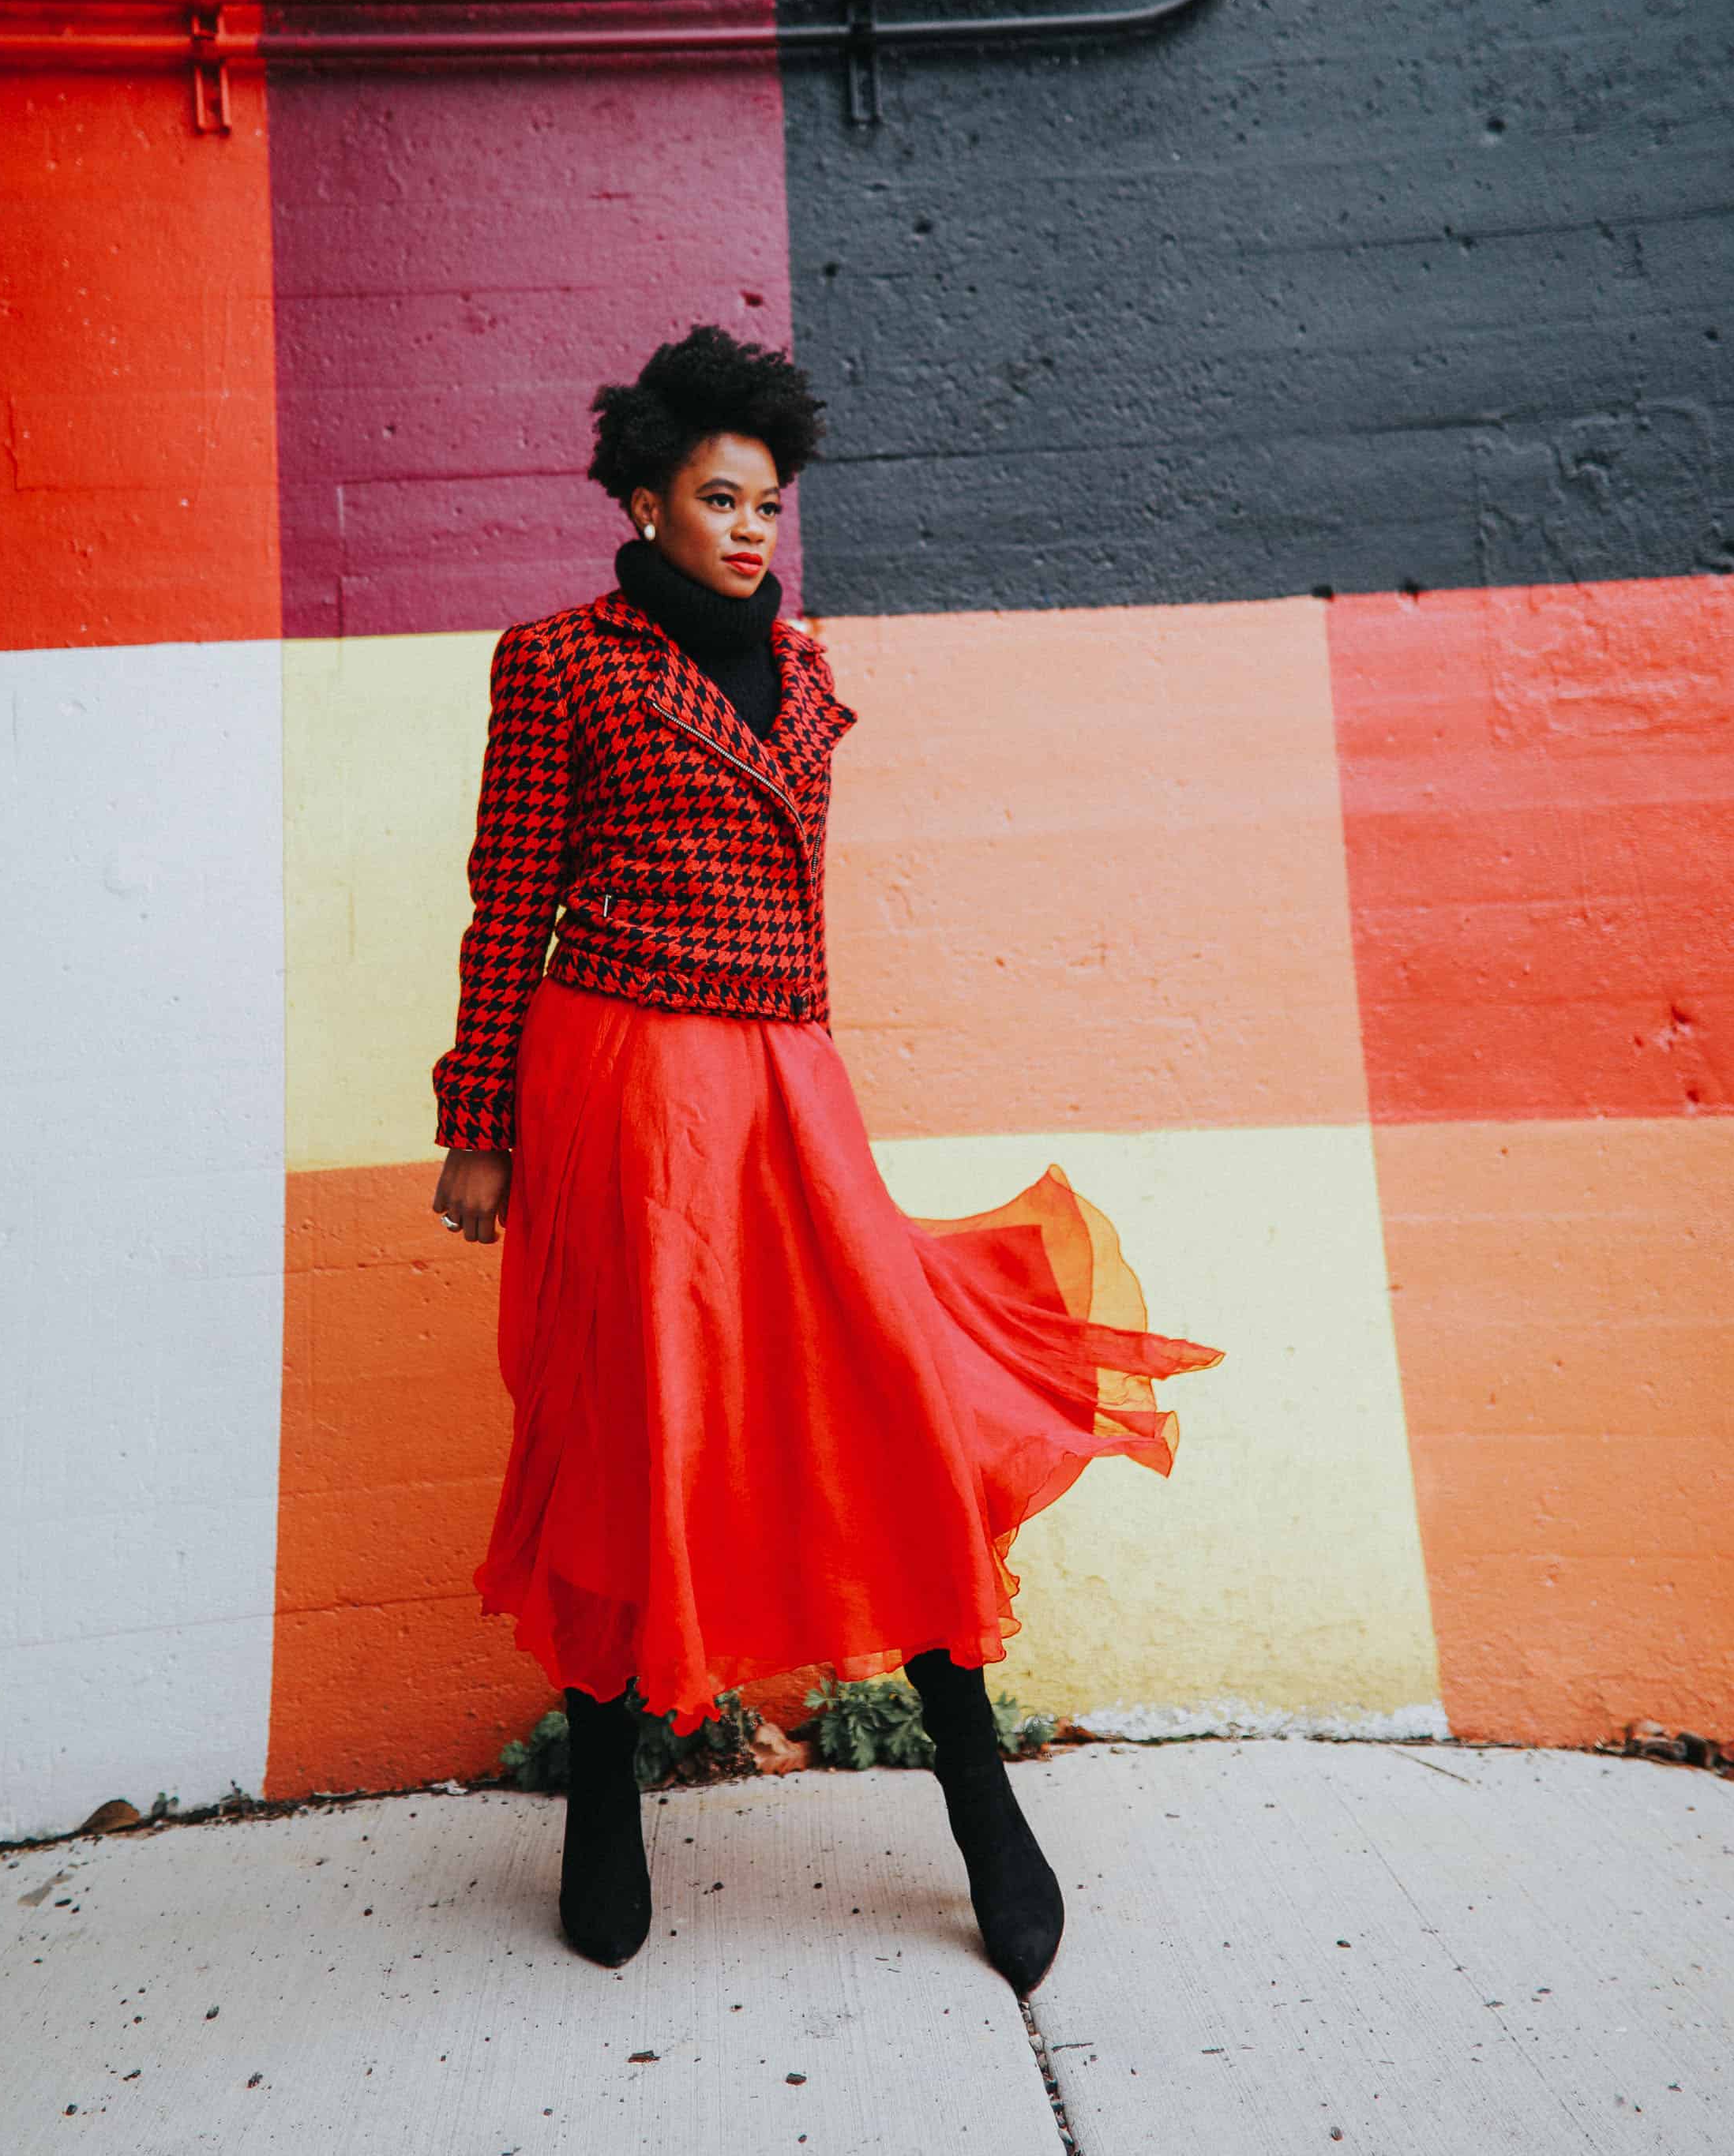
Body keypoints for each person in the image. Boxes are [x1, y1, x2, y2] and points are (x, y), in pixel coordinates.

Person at [431, 323, 1218, 1990]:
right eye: (720, 499)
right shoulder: (557, 662)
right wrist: (480, 1126)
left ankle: (983, 1803)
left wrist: (801, 1074)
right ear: (645, 500)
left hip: (790, 1076)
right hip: (626, 1081)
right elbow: (511, 906)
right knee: (634, 1421)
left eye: (769, 505)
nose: (750, 531)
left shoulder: (804, 673)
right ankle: (601, 1795)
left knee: (883, 1408)